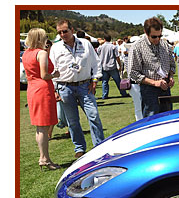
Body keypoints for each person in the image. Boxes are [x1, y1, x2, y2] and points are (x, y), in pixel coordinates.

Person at [50, 19, 105, 159]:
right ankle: (79, 148)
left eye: (65, 31)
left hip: (85, 86)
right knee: (72, 121)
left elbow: (96, 63)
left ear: (72, 30)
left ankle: (99, 146)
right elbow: (52, 70)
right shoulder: (56, 48)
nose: (63, 34)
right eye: (59, 32)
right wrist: (55, 89)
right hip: (65, 87)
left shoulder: (85, 43)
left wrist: (95, 79)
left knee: (94, 116)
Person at [23, 28, 61, 170]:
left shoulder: (27, 53)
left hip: (32, 88)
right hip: (43, 89)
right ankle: (44, 158)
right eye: (45, 37)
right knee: (44, 127)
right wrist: (55, 74)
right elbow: (44, 75)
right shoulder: (41, 53)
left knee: (40, 128)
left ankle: (43, 157)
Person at [128, 17, 176, 118]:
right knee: (151, 119)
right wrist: (155, 83)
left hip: (165, 88)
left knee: (168, 118)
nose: (157, 39)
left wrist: (171, 77)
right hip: (149, 90)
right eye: (154, 36)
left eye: (160, 36)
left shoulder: (165, 45)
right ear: (146, 32)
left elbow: (172, 64)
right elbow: (133, 73)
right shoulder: (137, 47)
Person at [97, 34, 128, 99]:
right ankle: (123, 93)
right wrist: (120, 65)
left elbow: (97, 56)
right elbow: (117, 57)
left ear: (104, 39)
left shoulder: (100, 47)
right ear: (110, 39)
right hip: (112, 66)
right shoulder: (113, 47)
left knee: (104, 82)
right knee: (118, 81)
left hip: (103, 66)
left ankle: (104, 95)